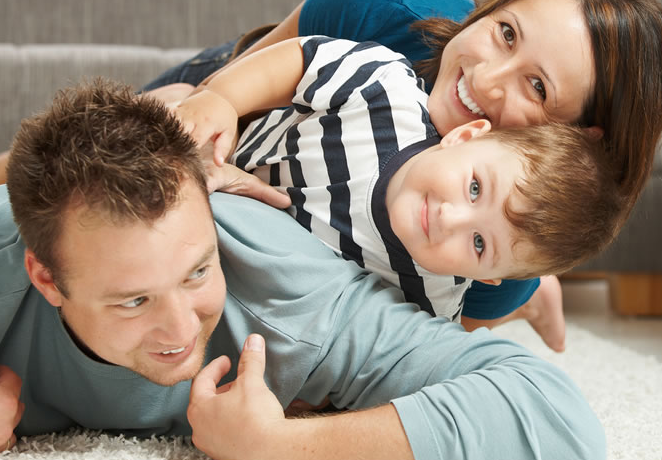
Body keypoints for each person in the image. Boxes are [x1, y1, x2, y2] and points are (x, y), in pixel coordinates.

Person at [0, 0, 662, 351]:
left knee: (494, 282)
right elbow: (265, 76)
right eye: (503, 33)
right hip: (260, 109)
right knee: (82, 171)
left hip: (333, 231)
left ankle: (532, 304)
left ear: (575, 139)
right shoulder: (388, 18)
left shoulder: (500, 232)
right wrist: (214, 121)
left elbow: (397, 332)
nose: (485, 79)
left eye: (536, 87)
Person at [0, 79, 605, 460]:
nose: (179, 328)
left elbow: (558, 420)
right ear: (46, 277)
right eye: (132, 300)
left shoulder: (301, 298)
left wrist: (282, 450)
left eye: (198, 272)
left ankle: (522, 293)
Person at [174, 34, 622, 320]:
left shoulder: (429, 303)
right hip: (227, 152)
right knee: (168, 110)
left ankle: (525, 304)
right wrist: (221, 98)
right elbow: (300, 60)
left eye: (479, 244)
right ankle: (536, 296)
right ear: (464, 136)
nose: (451, 218)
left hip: (235, 249)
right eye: (473, 188)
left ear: (483, 278)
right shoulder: (385, 94)